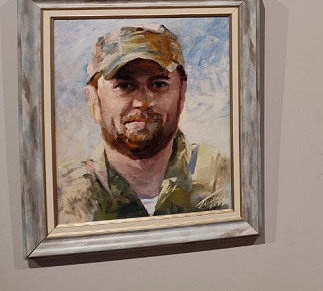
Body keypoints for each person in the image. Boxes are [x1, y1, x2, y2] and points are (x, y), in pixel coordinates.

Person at [57, 25, 231, 223]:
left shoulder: (221, 176)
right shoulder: (63, 194)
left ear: (182, 95)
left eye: (158, 84)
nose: (142, 102)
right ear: (93, 100)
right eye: (124, 86)